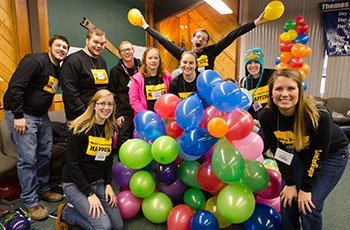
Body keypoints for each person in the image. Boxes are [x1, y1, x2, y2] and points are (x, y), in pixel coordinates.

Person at [258, 69, 349, 230]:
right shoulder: (267, 116)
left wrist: (306, 189)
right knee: (288, 200)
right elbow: (279, 152)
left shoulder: (318, 115)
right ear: (271, 92)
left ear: (299, 91)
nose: (284, 94)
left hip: (332, 155)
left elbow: (317, 156)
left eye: (291, 88)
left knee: (309, 205)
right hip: (301, 152)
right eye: (279, 88)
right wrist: (291, 184)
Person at [3, 35, 70, 220]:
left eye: (65, 47)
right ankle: (30, 200)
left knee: (44, 154)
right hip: (23, 115)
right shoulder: (34, 61)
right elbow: (15, 87)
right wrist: (18, 116)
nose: (61, 49)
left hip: (41, 116)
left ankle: (42, 188)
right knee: (28, 158)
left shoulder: (58, 70)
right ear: (50, 47)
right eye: (58, 45)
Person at [56, 89, 123, 230]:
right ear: (94, 105)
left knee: (117, 226)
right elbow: (72, 164)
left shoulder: (110, 128)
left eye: (110, 104)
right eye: (102, 103)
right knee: (104, 227)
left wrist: (108, 184)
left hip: (98, 182)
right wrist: (89, 194)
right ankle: (67, 213)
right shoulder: (80, 128)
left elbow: (108, 160)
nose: (106, 108)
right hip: (75, 184)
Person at [139, 11, 267, 72]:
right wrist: (146, 26)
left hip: (207, 89)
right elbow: (163, 41)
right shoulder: (184, 54)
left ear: (206, 44)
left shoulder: (211, 51)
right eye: (198, 37)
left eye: (204, 39)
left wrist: (255, 23)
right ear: (192, 39)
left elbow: (232, 36)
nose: (200, 40)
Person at [61, 27, 109, 121]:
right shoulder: (73, 60)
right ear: (87, 41)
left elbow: (105, 88)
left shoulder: (102, 61)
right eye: (95, 42)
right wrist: (86, 114)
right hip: (80, 118)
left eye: (102, 44)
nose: (99, 46)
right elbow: (69, 93)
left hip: (101, 116)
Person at [109, 41, 141, 150]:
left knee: (141, 141)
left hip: (140, 111)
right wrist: (117, 115)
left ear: (133, 50)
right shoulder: (115, 71)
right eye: (123, 50)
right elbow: (113, 94)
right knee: (124, 143)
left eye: (129, 49)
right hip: (125, 114)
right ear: (120, 53)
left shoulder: (142, 67)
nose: (127, 52)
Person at [128, 47, 172, 114]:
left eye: (156, 58)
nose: (153, 61)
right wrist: (146, 115)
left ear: (160, 60)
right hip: (145, 118)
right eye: (150, 58)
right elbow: (134, 100)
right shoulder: (137, 79)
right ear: (145, 60)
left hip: (164, 117)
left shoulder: (167, 76)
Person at [242, 47, 275, 119]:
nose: (253, 66)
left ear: (261, 64)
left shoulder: (273, 75)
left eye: (256, 62)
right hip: (257, 121)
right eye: (249, 63)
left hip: (273, 119)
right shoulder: (246, 82)